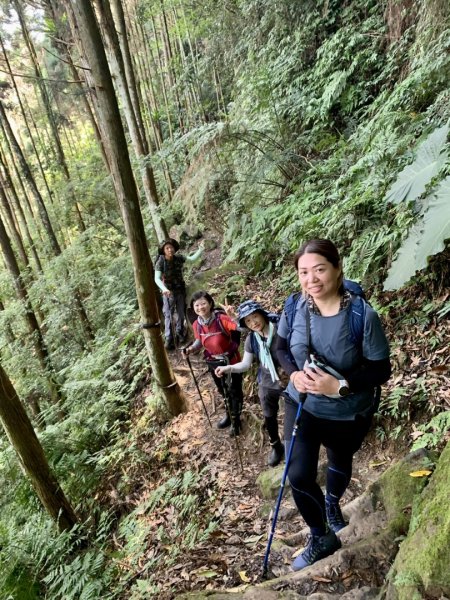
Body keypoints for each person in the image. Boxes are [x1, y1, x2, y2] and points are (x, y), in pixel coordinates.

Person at [276, 239, 391, 571]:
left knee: (340, 461)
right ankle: (321, 535)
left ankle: (331, 503)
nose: (311, 279)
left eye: (319, 269)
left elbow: (381, 368)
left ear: (337, 270)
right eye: (304, 272)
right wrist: (294, 374)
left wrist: (339, 386)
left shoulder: (361, 315)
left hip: (346, 411)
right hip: (302, 404)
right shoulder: (294, 306)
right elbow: (281, 346)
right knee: (297, 474)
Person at [215, 300, 286, 467]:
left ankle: (297, 446)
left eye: (255, 317)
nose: (253, 322)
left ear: (262, 314)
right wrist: (228, 368)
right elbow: (246, 364)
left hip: (290, 380)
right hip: (267, 382)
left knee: (293, 416)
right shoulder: (252, 340)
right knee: (269, 416)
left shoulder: (281, 330)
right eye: (248, 321)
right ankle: (276, 446)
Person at [182, 291, 244, 436]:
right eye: (196, 305)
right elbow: (199, 341)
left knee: (235, 391)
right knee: (223, 390)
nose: (200, 307)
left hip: (231, 361)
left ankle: (236, 421)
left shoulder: (222, 319)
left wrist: (233, 316)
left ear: (210, 304)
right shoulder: (197, 324)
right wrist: (190, 349)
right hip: (213, 362)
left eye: (203, 303)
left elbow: (242, 328)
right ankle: (229, 415)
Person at [154, 238, 203, 350]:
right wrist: (164, 289)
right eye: (167, 248)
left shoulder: (179, 258)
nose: (170, 250)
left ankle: (180, 332)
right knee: (168, 314)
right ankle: (169, 338)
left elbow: (191, 259)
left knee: (181, 312)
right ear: (163, 250)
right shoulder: (161, 261)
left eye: (171, 247)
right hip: (168, 292)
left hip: (180, 289)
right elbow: (156, 278)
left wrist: (200, 250)